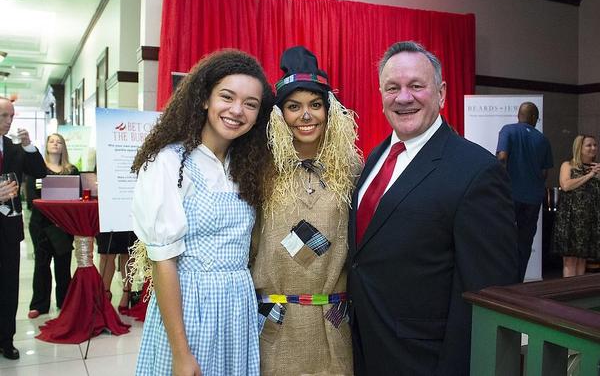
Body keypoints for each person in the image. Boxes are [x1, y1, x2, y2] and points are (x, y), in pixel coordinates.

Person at [347, 41, 519, 376]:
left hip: (425, 360)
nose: (403, 97)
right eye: (392, 88)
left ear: (441, 94)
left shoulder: (477, 171)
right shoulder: (374, 157)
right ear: (381, 95)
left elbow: (486, 293)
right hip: (366, 348)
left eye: (416, 86)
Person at [131, 50, 272, 376]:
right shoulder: (169, 162)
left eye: (250, 104)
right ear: (205, 99)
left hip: (237, 306)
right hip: (190, 305)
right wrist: (181, 353)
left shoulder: (246, 166)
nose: (237, 110)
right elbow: (163, 262)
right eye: (227, 97)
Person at [251, 46, 362, 375]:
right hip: (276, 319)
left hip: (332, 318)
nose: (306, 115)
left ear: (329, 110)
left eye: (315, 105)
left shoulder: (351, 169)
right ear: (279, 114)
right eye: (293, 106)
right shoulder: (260, 170)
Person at [0, 97, 47, 360]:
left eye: (12, 116)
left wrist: (29, 146)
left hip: (9, 228)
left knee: (9, 285)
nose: (9, 121)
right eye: (3, 116)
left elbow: (40, 172)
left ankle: (6, 339)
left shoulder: (14, 148)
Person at [496, 102, 553, 281]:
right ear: (534, 118)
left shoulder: (508, 130)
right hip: (532, 199)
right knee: (524, 242)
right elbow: (544, 172)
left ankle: (500, 281)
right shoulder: (543, 139)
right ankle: (517, 281)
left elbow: (502, 157)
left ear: (518, 115)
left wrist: (500, 183)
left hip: (509, 195)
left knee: (502, 238)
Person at [28, 133, 79, 319]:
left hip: (63, 225)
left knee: (63, 265)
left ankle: (64, 302)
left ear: (63, 146)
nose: (55, 144)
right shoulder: (38, 169)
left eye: (59, 142)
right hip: (41, 224)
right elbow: (32, 196)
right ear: (47, 145)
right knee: (41, 264)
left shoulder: (72, 170)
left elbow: (77, 196)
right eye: (52, 141)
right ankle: (39, 305)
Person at [551, 135, 600, 277]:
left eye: (595, 145)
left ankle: (579, 288)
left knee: (582, 260)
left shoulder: (597, 168)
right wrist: (589, 176)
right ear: (579, 147)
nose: (593, 148)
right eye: (589, 145)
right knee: (570, 260)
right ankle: (568, 289)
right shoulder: (568, 165)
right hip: (570, 219)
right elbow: (566, 185)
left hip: (589, 219)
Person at [96, 230, 136, 313]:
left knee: (127, 252)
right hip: (105, 222)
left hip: (127, 222)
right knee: (106, 254)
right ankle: (105, 292)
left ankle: (127, 292)